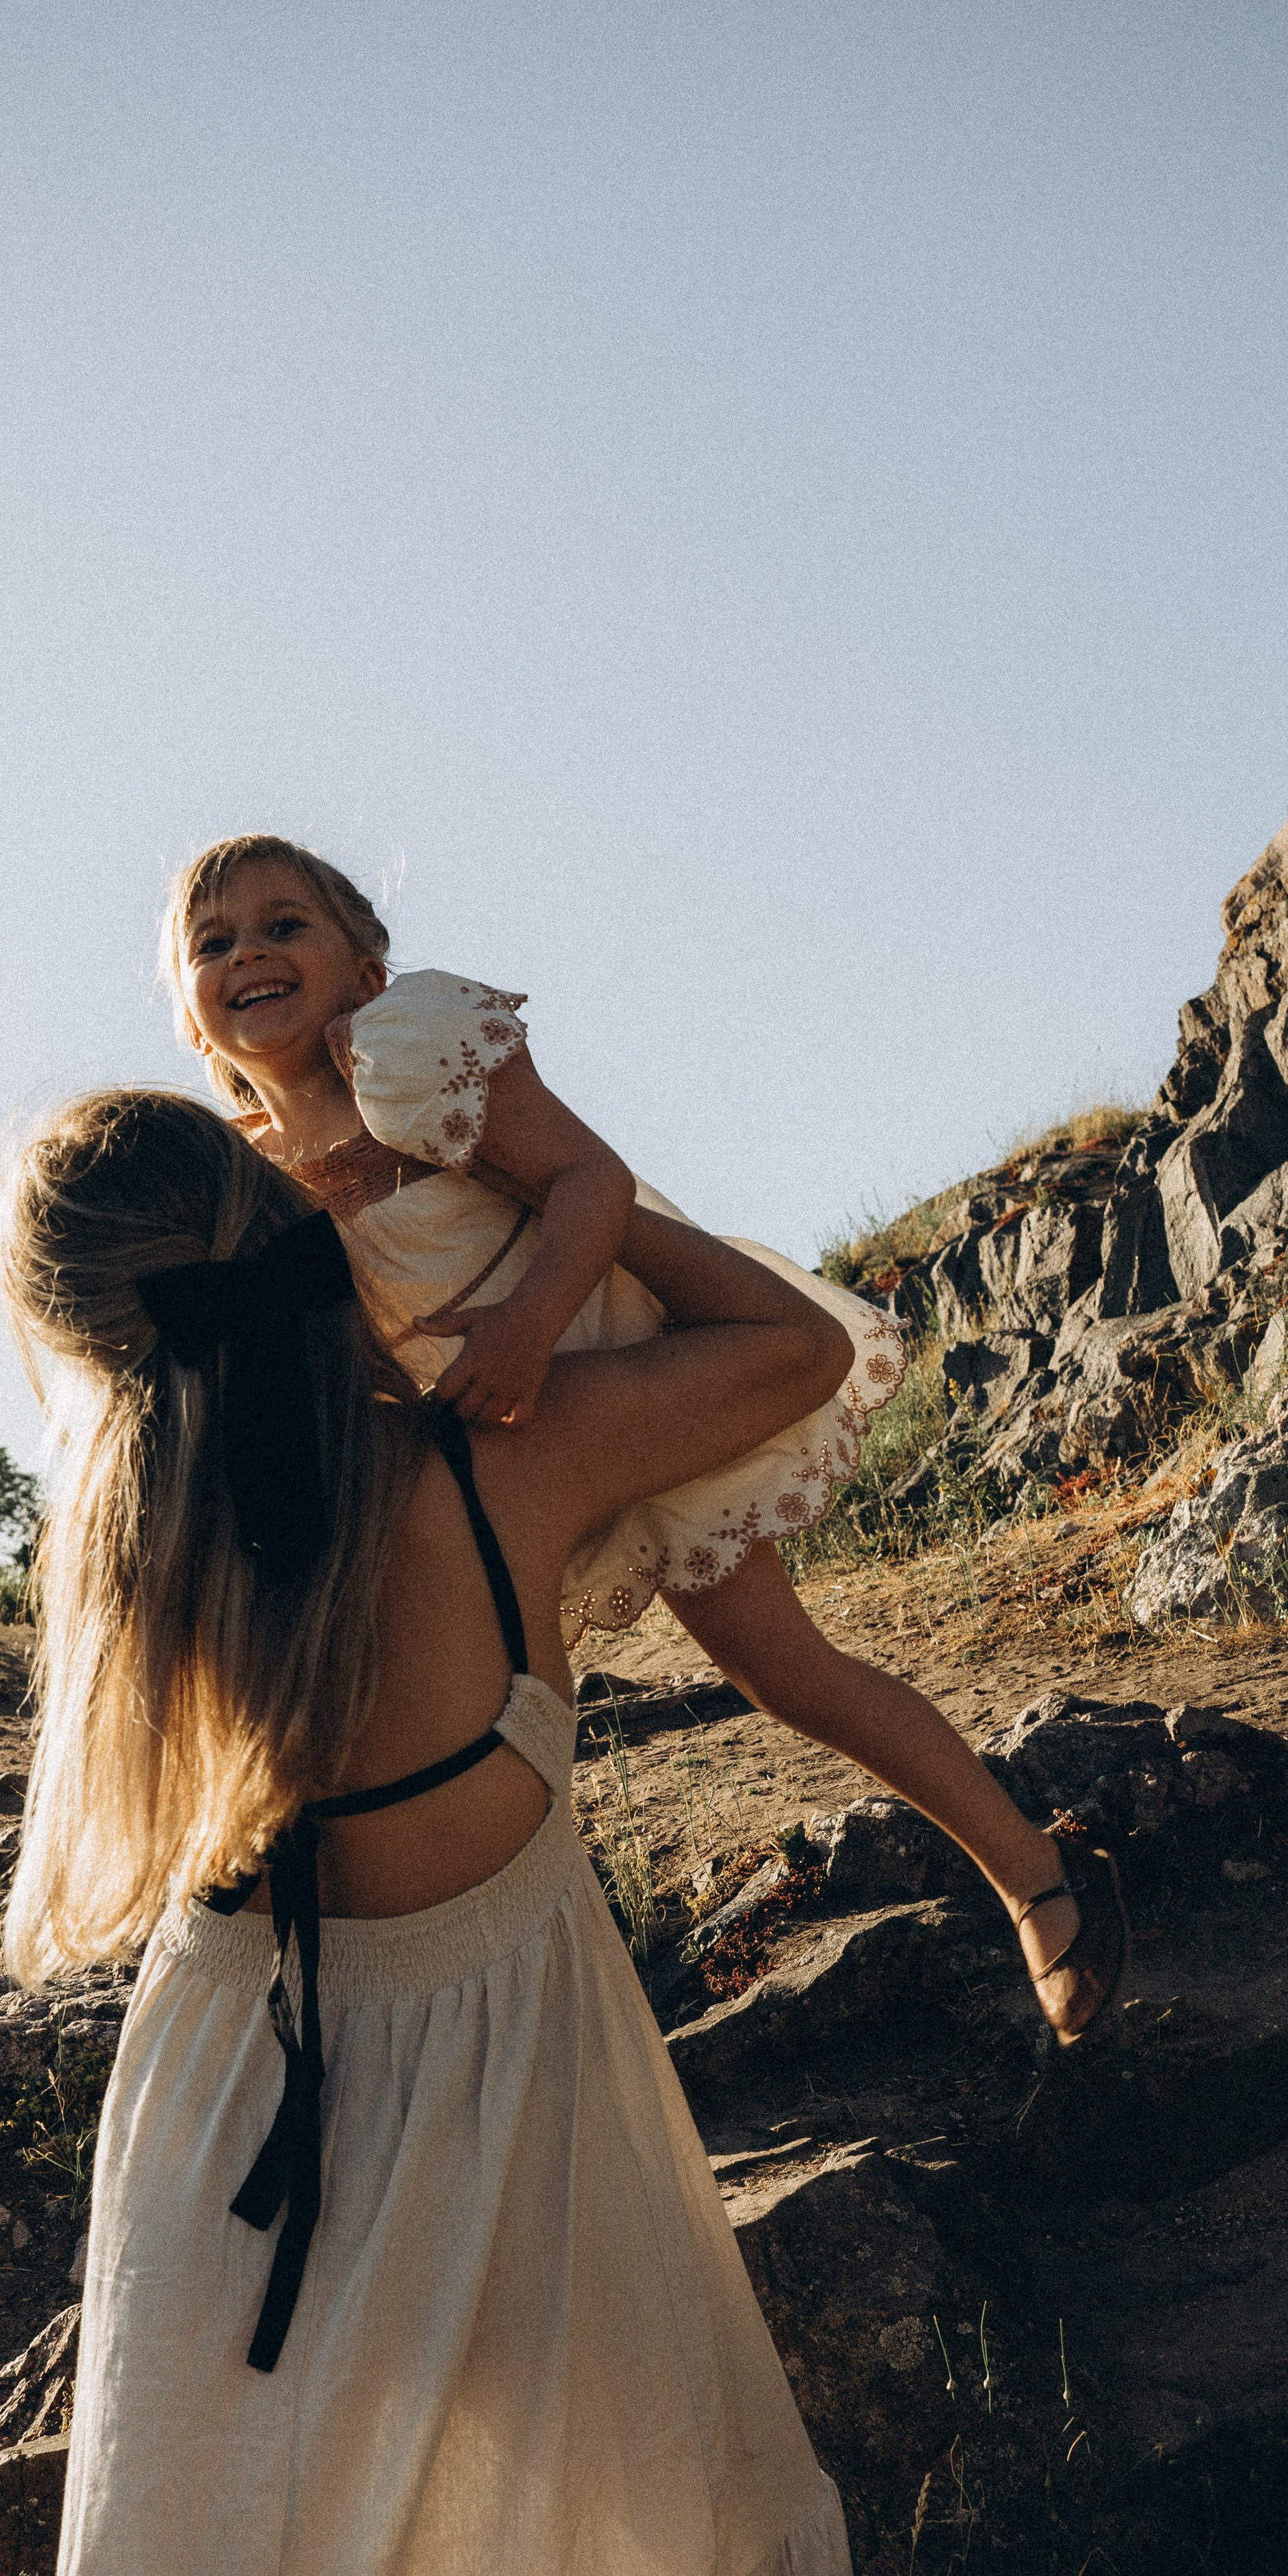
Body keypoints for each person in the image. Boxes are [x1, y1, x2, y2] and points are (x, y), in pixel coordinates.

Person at [0, 1087, 872, 2576]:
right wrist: (548, 1190)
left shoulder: (128, 1559)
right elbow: (794, 1345)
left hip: (221, 2151)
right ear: (281, 1233)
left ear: (77, 1345)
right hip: (508, 2108)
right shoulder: (494, 1459)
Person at [162, 833, 1127, 2045]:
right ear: (196, 1024)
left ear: (363, 967)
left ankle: (1034, 1873)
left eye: (284, 924)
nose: (248, 950)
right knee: (625, 1691)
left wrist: (527, 1326)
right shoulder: (254, 1181)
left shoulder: (403, 1057)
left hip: (621, 1373)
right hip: (505, 1457)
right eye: (213, 944)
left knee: (791, 1671)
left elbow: (588, 1182)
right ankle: (541, 2001)